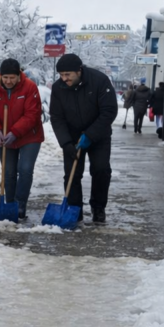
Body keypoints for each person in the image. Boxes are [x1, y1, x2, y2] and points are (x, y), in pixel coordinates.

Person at [49, 53, 118, 224]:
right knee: (72, 173)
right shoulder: (59, 88)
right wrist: (66, 143)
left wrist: (90, 134)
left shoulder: (99, 81)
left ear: (79, 70)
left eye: (68, 75)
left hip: (99, 135)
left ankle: (98, 207)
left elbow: (109, 111)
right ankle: (74, 209)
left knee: (101, 170)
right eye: (61, 75)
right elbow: (56, 117)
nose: (64, 79)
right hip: (72, 136)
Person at [0, 59, 45, 220]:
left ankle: (20, 204)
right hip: (3, 136)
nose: (8, 81)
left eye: (12, 77)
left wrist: (15, 132)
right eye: (5, 77)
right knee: (8, 172)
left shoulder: (30, 87)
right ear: (1, 76)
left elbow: (32, 114)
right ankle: (10, 205)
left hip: (29, 136)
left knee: (24, 169)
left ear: (19, 76)